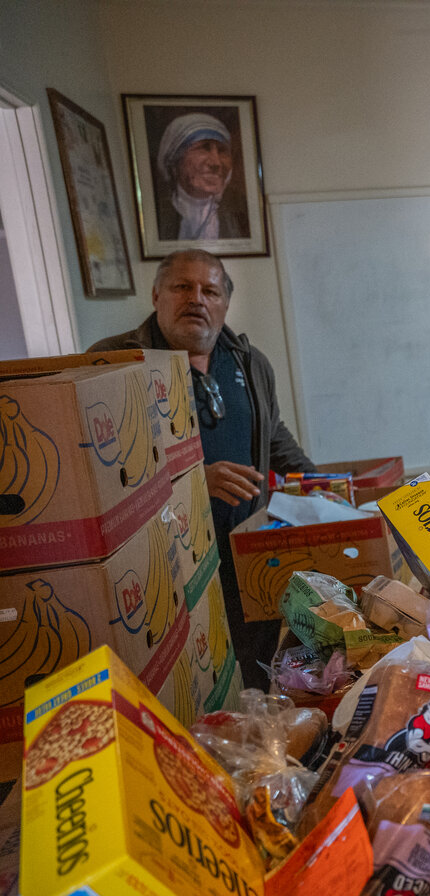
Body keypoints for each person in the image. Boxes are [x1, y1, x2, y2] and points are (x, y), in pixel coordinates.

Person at [90, 249, 317, 685]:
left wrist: (318, 481)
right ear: (157, 295)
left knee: (255, 667)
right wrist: (195, 482)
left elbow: (272, 434)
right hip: (165, 563)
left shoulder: (251, 362)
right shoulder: (112, 361)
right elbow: (101, 474)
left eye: (210, 290)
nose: (197, 298)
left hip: (245, 554)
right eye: (182, 287)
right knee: (188, 679)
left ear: (224, 304)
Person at [153, 112, 249, 242]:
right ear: (175, 160)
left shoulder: (240, 214)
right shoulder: (157, 216)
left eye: (222, 151)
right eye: (203, 149)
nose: (216, 163)